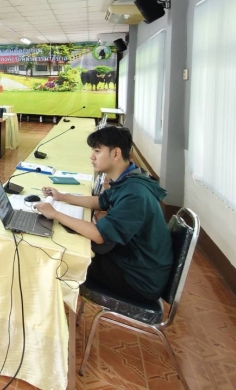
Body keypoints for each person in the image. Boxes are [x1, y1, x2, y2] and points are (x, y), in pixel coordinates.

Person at [34, 126, 173, 303]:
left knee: (60, 261)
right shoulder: (129, 178)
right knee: (71, 249)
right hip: (134, 262)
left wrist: (55, 214)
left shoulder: (134, 194)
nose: (91, 156)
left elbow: (99, 235)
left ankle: (48, 312)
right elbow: (101, 201)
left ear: (115, 153)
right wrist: (62, 197)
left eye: (97, 151)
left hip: (139, 279)